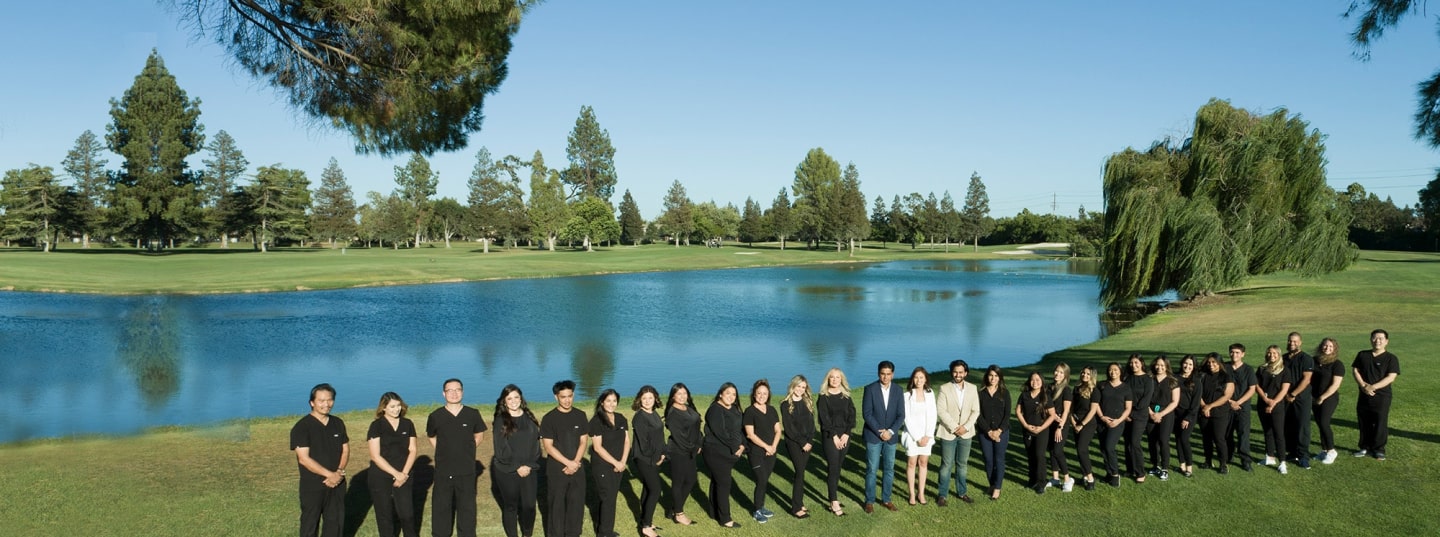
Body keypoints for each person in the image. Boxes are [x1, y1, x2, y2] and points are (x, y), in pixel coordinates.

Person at [427, 378, 486, 537]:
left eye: (457, 389)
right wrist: (444, 450)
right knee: (441, 508)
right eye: (449, 390)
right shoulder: (436, 416)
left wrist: (466, 449)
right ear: (443, 393)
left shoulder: (472, 414)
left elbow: (479, 434)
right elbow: (431, 436)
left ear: (462, 392)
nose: (454, 393)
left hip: (466, 470)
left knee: (467, 510)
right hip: (443, 471)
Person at [291, 383, 349, 537]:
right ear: (312, 403)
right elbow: (304, 459)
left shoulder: (338, 423)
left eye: (329, 400)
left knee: (335, 524)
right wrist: (330, 475)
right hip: (313, 485)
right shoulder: (302, 427)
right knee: (310, 525)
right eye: (321, 401)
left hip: (337, 483)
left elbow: (345, 450)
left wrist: (338, 473)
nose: (326, 404)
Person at [540, 380, 588, 537]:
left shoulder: (580, 415)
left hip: (577, 469)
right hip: (557, 470)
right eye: (563, 397)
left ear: (573, 395)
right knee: (557, 506)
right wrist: (568, 463)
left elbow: (583, 441)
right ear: (556, 397)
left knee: (576, 505)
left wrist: (575, 463)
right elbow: (548, 446)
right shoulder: (549, 419)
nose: (567, 400)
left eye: (570, 396)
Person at [491, 385, 540, 537]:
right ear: (504, 402)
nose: (513, 401)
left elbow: (535, 445)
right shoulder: (501, 420)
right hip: (508, 471)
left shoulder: (529, 417)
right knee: (511, 506)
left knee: (529, 506)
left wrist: (529, 465)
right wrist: (517, 466)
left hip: (529, 469)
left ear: (521, 398)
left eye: (516, 397)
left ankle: (527, 534)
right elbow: (501, 449)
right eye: (509, 398)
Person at [368, 392, 418, 537]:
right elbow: (375, 456)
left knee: (407, 514)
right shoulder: (376, 426)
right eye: (392, 407)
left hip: (404, 474)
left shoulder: (407, 424)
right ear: (383, 408)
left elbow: (413, 450)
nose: (396, 409)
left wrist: (403, 474)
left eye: (398, 406)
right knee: (384, 515)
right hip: (380, 475)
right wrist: (395, 474)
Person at [862, 360, 906, 512]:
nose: (885, 377)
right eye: (882, 374)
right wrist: (880, 431)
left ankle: (886, 500)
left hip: (891, 437)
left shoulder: (898, 390)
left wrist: (891, 432)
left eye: (888, 374)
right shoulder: (870, 389)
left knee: (889, 469)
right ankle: (869, 501)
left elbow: (901, 415)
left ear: (892, 374)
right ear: (878, 373)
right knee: (872, 469)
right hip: (874, 436)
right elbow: (867, 414)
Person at [935, 359, 980, 505]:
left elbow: (976, 410)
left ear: (965, 373)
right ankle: (942, 495)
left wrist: (965, 427)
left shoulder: (972, 388)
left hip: (966, 433)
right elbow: (941, 411)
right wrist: (955, 427)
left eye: (961, 372)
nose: (958, 374)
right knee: (946, 465)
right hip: (948, 433)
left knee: (962, 464)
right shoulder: (944, 388)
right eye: (955, 372)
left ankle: (962, 492)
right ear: (951, 372)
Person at [1353, 329, 1400, 460]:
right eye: (1374, 338)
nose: (1377, 341)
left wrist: (1372, 387)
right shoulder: (1362, 355)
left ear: (1386, 341)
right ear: (1370, 340)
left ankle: (1379, 449)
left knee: (1380, 422)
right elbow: (1356, 370)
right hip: (1364, 394)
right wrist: (1363, 386)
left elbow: (1391, 377)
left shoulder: (1391, 358)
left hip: (1382, 396)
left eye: (1380, 338)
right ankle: (1364, 447)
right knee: (1364, 421)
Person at [703, 382, 746, 528]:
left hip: (729, 451)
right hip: (715, 452)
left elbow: (739, 430)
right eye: (728, 393)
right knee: (724, 483)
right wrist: (735, 447)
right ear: (720, 394)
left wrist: (743, 445)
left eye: (734, 394)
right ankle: (725, 519)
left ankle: (714, 511)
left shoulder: (734, 409)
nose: (731, 397)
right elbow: (720, 432)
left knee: (717, 481)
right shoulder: (715, 409)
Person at [589, 389, 631, 537]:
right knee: (607, 498)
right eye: (608, 401)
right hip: (603, 466)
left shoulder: (621, 418)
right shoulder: (596, 421)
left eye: (614, 401)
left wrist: (623, 461)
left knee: (611, 497)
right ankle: (604, 533)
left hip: (619, 465)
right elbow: (597, 447)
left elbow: (627, 441)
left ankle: (606, 529)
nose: (612, 404)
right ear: (602, 402)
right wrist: (616, 462)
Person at [816, 368, 855, 516]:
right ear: (828, 379)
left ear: (841, 380)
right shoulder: (823, 397)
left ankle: (833, 496)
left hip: (844, 435)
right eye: (832, 377)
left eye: (837, 377)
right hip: (830, 436)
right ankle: (834, 502)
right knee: (833, 467)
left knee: (838, 466)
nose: (834, 380)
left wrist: (846, 434)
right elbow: (824, 420)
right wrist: (834, 437)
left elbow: (852, 416)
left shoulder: (846, 396)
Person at [743, 380, 782, 524]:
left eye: (764, 393)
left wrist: (773, 447)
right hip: (756, 453)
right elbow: (750, 435)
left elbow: (778, 430)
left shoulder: (772, 410)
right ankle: (757, 511)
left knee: (764, 481)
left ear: (768, 395)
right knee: (761, 480)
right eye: (759, 393)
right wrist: (767, 447)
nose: (761, 396)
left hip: (771, 452)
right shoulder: (749, 411)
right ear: (754, 395)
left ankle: (761, 506)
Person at [664, 383, 702, 526]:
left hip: (691, 450)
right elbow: (679, 438)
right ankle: (679, 514)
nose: (682, 396)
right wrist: (693, 448)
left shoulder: (688, 407)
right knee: (678, 482)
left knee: (691, 480)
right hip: (678, 452)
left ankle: (674, 508)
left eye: (684, 393)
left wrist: (699, 443)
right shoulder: (673, 413)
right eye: (679, 394)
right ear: (673, 396)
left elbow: (697, 426)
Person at [631, 386, 666, 537]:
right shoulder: (639, 417)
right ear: (639, 400)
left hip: (656, 457)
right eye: (644, 398)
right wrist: (655, 459)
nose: (647, 401)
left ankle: (645, 520)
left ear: (655, 399)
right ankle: (646, 527)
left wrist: (663, 453)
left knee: (648, 488)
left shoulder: (654, 413)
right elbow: (644, 444)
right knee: (655, 490)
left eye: (650, 398)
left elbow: (660, 436)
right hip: (645, 459)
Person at [779, 375, 816, 519]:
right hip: (794, 443)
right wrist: (803, 443)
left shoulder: (807, 402)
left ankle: (799, 503)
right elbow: (789, 428)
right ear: (792, 386)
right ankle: (795, 508)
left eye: (803, 387)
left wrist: (810, 441)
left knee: (801, 473)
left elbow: (812, 425)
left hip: (808, 443)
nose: (800, 389)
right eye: (798, 386)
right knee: (800, 473)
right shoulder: (785, 404)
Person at [901, 367, 938, 505]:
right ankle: (911, 494)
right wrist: (917, 438)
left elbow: (933, 415)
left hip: (926, 436)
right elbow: (907, 418)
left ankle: (921, 493)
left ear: (925, 379)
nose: (919, 380)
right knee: (911, 463)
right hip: (912, 436)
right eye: (916, 377)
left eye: (921, 378)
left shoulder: (930, 393)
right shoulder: (907, 396)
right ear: (912, 379)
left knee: (923, 463)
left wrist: (928, 435)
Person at [1016, 371, 1054, 495]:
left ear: (1042, 382)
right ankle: (1032, 480)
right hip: (1027, 430)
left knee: (1039, 455)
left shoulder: (1046, 396)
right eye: (1032, 380)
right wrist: (1026, 425)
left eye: (1038, 380)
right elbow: (1018, 412)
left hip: (1041, 431)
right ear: (1029, 381)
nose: (1035, 382)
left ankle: (1041, 482)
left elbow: (1052, 415)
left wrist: (1041, 428)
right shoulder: (1024, 395)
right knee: (1031, 455)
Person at [976, 365, 1011, 500]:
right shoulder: (980, 393)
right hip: (985, 433)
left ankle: (997, 488)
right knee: (988, 460)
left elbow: (1007, 415)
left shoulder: (1004, 393)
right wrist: (989, 431)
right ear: (987, 376)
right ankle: (991, 484)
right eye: (991, 375)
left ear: (1000, 378)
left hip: (1002, 432)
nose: (993, 378)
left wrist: (999, 431)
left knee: (999, 459)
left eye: (996, 376)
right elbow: (978, 415)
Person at [1256, 345, 1292, 474]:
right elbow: (1257, 386)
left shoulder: (1284, 370)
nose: (1272, 356)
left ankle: (1282, 462)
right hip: (1262, 404)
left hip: (1277, 406)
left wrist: (1273, 403)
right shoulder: (1261, 369)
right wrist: (1266, 401)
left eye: (1274, 353)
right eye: (1269, 353)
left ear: (1279, 355)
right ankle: (1269, 457)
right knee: (1267, 432)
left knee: (1278, 433)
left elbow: (1284, 389)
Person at [1282, 332, 1316, 469]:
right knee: (1287, 425)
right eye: (1290, 341)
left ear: (1300, 342)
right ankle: (1291, 452)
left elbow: (1306, 379)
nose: (1292, 343)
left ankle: (1303, 456)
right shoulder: (1283, 358)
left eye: (1295, 341)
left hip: (1301, 397)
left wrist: (1293, 394)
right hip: (1285, 397)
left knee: (1302, 426)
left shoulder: (1306, 358)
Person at [1199, 353, 1235, 474]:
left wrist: (1210, 406)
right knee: (1206, 438)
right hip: (1204, 412)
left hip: (1220, 412)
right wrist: (1204, 406)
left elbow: (1227, 396)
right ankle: (1208, 461)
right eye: (1209, 362)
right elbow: (1197, 392)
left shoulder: (1226, 377)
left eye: (1214, 362)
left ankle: (1223, 464)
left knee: (1219, 438)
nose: (1211, 365)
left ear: (1220, 363)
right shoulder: (1202, 375)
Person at [1097, 363, 1133, 487]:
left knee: (1109, 447)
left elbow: (1128, 408)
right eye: (1110, 370)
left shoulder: (1126, 388)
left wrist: (1118, 420)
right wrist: (1102, 417)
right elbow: (1096, 403)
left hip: (1117, 423)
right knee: (1103, 449)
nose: (1113, 372)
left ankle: (1115, 475)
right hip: (1102, 421)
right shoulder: (1101, 385)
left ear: (1120, 372)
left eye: (1116, 369)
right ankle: (1108, 473)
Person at [1310, 338, 1345, 464]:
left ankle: (1331, 451)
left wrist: (1322, 398)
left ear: (1335, 348)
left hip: (1328, 398)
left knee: (1324, 422)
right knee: (1319, 423)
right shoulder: (1314, 361)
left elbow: (1335, 385)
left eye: (1330, 346)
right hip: (1313, 398)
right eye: (1325, 346)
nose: (1327, 348)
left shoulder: (1337, 364)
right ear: (1321, 346)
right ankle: (1324, 450)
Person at [1122, 354, 1155, 483]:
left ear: (1141, 363)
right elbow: (1123, 395)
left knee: (1135, 443)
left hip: (1140, 415)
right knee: (1127, 443)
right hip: (1127, 415)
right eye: (1131, 363)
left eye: (1136, 362)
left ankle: (1140, 472)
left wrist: (1131, 413)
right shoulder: (1127, 378)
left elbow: (1146, 400)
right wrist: (1126, 414)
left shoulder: (1148, 379)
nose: (1133, 365)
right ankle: (1130, 469)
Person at [1225, 344, 1258, 472]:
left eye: (1237, 352)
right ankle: (1228, 455)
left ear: (1243, 354)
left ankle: (1245, 460)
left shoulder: (1248, 369)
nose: (1234, 355)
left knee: (1243, 434)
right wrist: (1229, 401)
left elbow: (1252, 389)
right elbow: (1220, 387)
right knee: (1227, 433)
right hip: (1227, 406)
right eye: (1232, 352)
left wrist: (1238, 402)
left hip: (1242, 407)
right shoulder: (1225, 367)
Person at [1147, 356, 1179, 481]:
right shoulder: (1149, 379)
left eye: (1162, 365)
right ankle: (1155, 465)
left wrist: (1160, 414)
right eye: (1157, 365)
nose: (1159, 367)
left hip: (1166, 414)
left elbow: (1174, 402)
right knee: (1152, 440)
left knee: (1163, 440)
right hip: (1150, 412)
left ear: (1166, 366)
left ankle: (1165, 468)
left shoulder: (1172, 381)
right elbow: (1144, 399)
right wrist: (1151, 413)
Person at [1070, 366, 1101, 490]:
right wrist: (1073, 422)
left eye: (1088, 374)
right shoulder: (1076, 388)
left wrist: (1081, 424)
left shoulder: (1095, 391)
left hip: (1088, 424)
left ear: (1092, 376)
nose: (1084, 375)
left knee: (1082, 449)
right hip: (1075, 422)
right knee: (1079, 450)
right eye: (1083, 373)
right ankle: (1084, 475)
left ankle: (1090, 478)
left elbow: (1093, 410)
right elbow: (1071, 407)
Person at [1173, 355, 1201, 477]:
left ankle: (1189, 467)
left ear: (1194, 366)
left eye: (1190, 364)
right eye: (1185, 363)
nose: (1187, 366)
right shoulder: (1174, 378)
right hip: (1175, 414)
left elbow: (1195, 404)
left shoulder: (1196, 381)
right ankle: (1181, 465)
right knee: (1178, 439)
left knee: (1184, 439)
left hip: (1189, 415)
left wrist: (1187, 418)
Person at [1046, 363, 1074, 491]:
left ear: (1066, 375)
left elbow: (1066, 410)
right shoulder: (1049, 388)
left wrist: (1060, 427)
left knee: (1057, 451)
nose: (1057, 374)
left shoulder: (1066, 390)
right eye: (1056, 371)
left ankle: (1068, 479)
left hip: (1061, 424)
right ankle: (1055, 478)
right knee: (1052, 450)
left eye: (1061, 372)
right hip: (1050, 422)